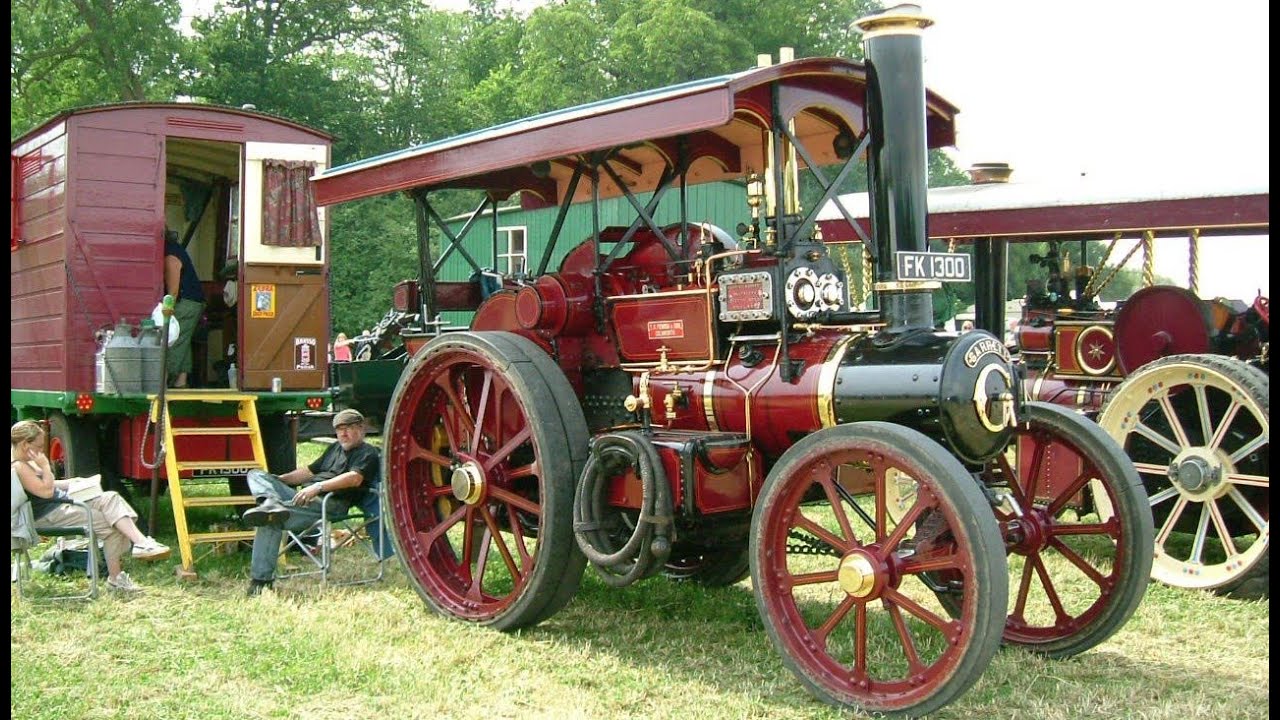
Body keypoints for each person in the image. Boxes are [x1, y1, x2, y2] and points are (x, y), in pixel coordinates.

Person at [11, 420, 170, 593]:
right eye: (39, 446)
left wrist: (74, 482)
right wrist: (45, 466)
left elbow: (47, 485)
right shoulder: (19, 466)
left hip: (61, 505)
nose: (41, 451)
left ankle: (141, 543)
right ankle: (117, 579)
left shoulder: (27, 461)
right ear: (25, 444)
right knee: (111, 523)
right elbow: (46, 492)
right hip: (49, 515)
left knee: (111, 498)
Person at [241, 408, 380, 595]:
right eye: (339, 429)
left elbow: (354, 478)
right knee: (255, 474)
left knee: (269, 520)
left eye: (348, 428)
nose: (343, 433)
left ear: (361, 429)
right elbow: (308, 472)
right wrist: (279, 480)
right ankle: (269, 502)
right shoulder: (335, 448)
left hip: (330, 502)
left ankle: (260, 582)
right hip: (307, 497)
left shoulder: (367, 452)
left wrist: (318, 487)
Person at [164, 229, 206, 388]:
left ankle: (166, 379)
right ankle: (181, 382)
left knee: (172, 338)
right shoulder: (175, 249)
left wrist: (166, 314)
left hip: (187, 302)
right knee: (183, 338)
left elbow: (173, 291)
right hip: (194, 301)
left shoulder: (170, 256)